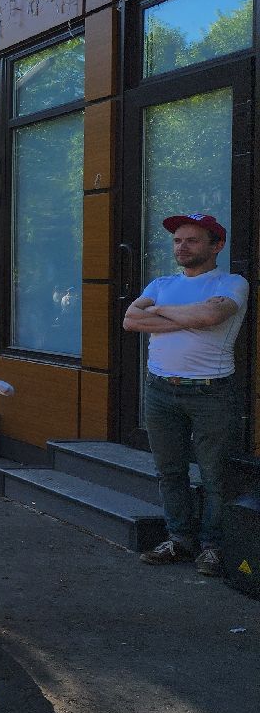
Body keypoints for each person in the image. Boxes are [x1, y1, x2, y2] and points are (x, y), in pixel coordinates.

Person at [124, 213, 249, 577]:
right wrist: (187, 316)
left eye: (192, 240)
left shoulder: (231, 282)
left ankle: (212, 546)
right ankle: (179, 539)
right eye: (178, 240)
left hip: (212, 391)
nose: (182, 247)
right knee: (170, 470)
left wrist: (160, 314)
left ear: (217, 245)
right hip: (160, 389)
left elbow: (212, 317)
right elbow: (131, 320)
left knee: (215, 474)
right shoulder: (160, 282)